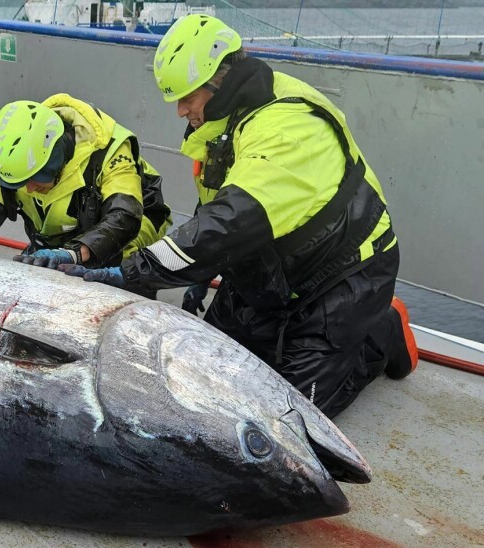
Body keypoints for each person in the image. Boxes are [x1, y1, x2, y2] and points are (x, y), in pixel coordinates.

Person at [62, 15, 418, 418]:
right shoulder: (227, 121)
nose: (180, 111)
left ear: (220, 81)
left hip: (340, 280)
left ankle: (379, 332)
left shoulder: (288, 129)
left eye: (187, 97)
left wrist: (130, 273)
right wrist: (198, 274)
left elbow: (230, 221)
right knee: (199, 375)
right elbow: (215, 205)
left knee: (286, 424)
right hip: (273, 267)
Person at [0, 94, 172, 280]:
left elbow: (124, 217)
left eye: (32, 180)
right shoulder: (17, 157)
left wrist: (74, 254)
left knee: (121, 277)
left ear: (52, 161)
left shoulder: (109, 153)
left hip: (130, 227)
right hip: (65, 233)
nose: (28, 190)